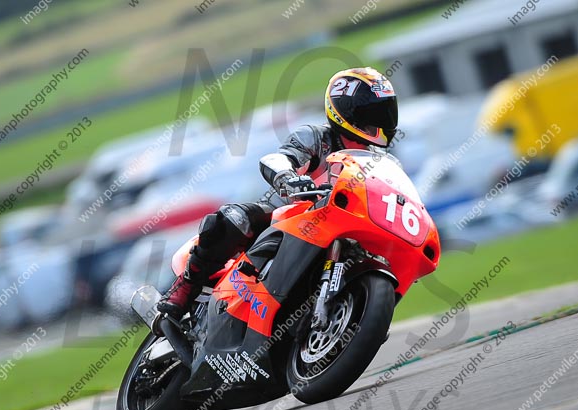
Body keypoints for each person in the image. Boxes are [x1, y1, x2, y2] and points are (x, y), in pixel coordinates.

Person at [157, 67, 398, 318]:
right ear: (349, 112)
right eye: (374, 113)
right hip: (288, 215)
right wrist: (289, 178)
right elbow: (277, 159)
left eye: (386, 112)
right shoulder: (317, 137)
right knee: (233, 218)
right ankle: (186, 286)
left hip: (346, 225)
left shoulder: (384, 161)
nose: (383, 121)